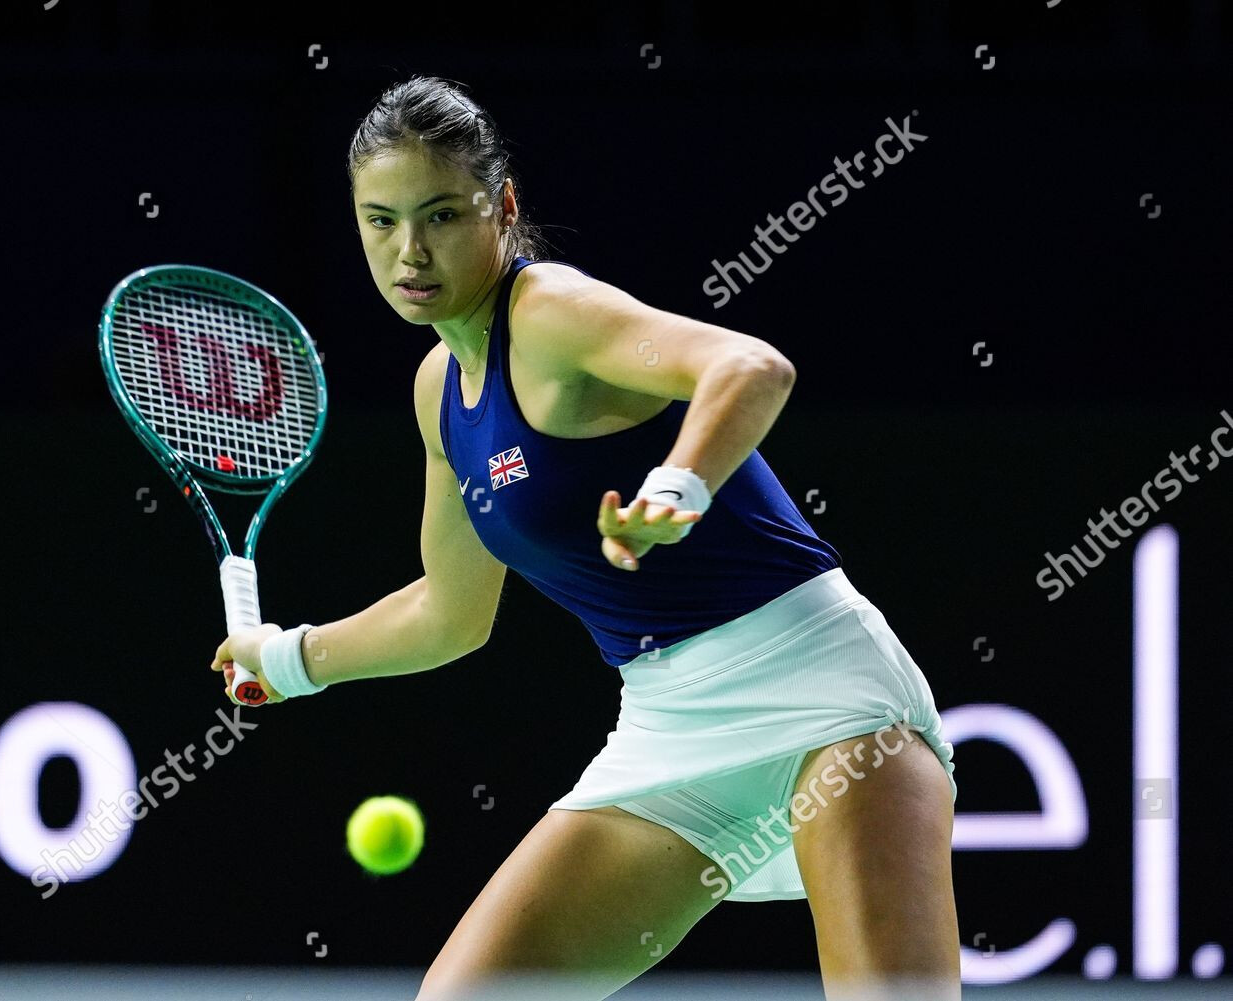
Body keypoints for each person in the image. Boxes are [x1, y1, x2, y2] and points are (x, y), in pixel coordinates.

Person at [210, 75, 961, 1001]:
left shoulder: (549, 314)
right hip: (668, 728)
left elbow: (750, 366)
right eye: (381, 221)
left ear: (502, 208)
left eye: (441, 215)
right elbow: (449, 613)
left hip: (827, 697)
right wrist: (288, 658)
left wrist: (677, 486)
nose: (411, 250)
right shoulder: (438, 390)